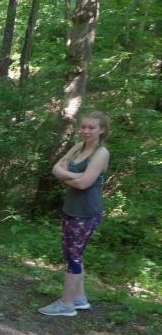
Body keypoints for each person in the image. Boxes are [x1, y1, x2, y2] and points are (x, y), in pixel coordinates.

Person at [39, 112, 110, 317]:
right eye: (83, 127)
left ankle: (66, 304)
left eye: (91, 128)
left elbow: (83, 184)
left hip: (86, 212)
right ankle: (79, 299)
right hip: (71, 208)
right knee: (73, 255)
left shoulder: (101, 153)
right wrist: (74, 176)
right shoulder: (78, 146)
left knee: (73, 257)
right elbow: (56, 168)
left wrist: (68, 177)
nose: (86, 131)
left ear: (102, 130)